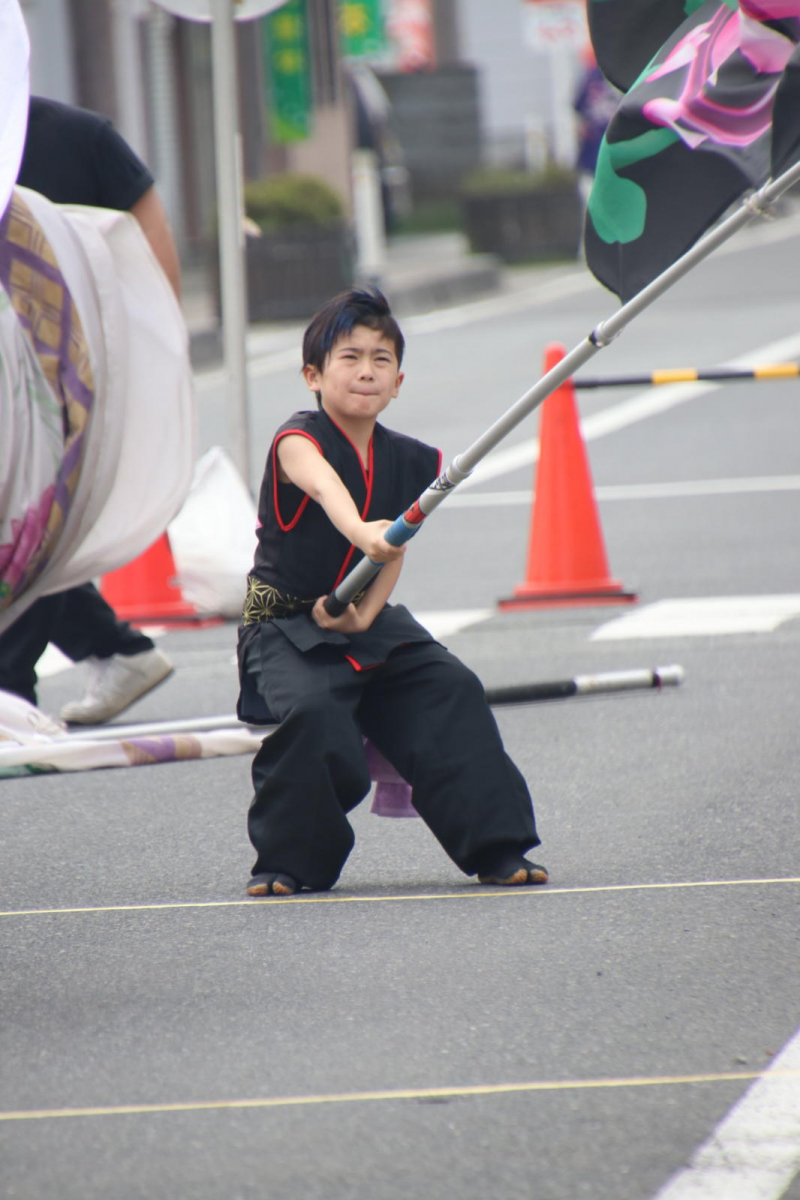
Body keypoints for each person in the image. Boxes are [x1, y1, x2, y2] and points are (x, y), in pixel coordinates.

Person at [236, 287, 547, 897]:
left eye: (381, 360)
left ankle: (498, 847)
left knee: (450, 687)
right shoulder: (297, 440)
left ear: (398, 381)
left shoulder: (410, 459)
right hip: (283, 624)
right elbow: (329, 494)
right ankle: (289, 862)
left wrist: (366, 613)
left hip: (363, 616)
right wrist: (362, 534)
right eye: (349, 357)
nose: (366, 371)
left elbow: (394, 552)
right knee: (316, 713)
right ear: (313, 374)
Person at [0, 97, 179, 724]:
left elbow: (146, 236)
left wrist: (160, 353)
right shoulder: (81, 132)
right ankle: (114, 648)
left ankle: (11, 689)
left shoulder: (76, 135)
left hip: (69, 372)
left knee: (31, 520)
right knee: (21, 525)